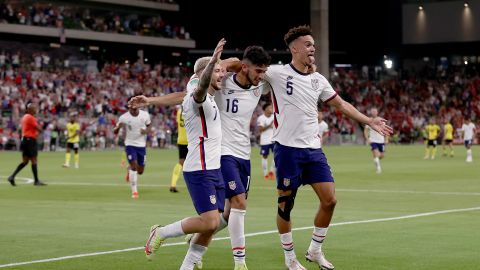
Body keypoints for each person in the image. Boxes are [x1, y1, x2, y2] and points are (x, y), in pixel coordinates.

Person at [262, 25, 392, 270]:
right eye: (308, 44)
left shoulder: (318, 80)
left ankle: (314, 250)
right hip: (287, 150)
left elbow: (342, 105)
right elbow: (248, 67)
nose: (313, 48)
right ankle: (290, 259)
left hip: (313, 150)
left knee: (330, 200)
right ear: (294, 48)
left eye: (313, 44)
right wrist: (216, 64)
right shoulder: (276, 73)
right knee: (285, 206)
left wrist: (369, 120)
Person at [144, 39, 227, 270]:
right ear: (204, 74)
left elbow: (192, 84)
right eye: (218, 71)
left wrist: (150, 100)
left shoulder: (200, 90)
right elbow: (199, 88)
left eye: (222, 71)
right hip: (199, 169)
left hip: (214, 167)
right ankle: (160, 232)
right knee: (210, 222)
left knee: (216, 222)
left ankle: (188, 266)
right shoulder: (197, 99)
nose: (222, 75)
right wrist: (212, 61)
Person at [113, 100, 151, 199]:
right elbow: (115, 131)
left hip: (141, 145)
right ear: (128, 107)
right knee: (134, 166)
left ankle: (129, 169)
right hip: (129, 144)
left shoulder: (145, 115)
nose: (133, 111)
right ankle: (134, 191)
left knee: (140, 171)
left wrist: (145, 131)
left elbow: (149, 127)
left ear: (138, 107)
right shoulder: (124, 117)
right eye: (131, 109)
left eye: (135, 109)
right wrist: (118, 128)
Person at [7, 103, 47, 186]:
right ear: (29, 110)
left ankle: (12, 176)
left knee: (25, 162)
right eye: (33, 108)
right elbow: (39, 129)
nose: (35, 110)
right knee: (34, 160)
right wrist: (41, 128)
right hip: (30, 141)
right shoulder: (31, 118)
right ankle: (36, 181)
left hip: (25, 140)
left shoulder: (24, 117)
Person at [169, 105, 188, 193]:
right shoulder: (191, 110)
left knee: (181, 162)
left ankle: (173, 184)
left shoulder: (179, 111)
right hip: (191, 140)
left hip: (181, 139)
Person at [363, 108, 388, 173]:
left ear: (377, 112)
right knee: (376, 154)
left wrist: (386, 139)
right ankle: (378, 168)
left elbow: (385, 130)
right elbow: (365, 131)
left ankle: (376, 160)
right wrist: (367, 139)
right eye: (372, 111)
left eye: (375, 111)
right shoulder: (368, 121)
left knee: (382, 156)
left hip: (381, 140)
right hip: (373, 140)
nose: (374, 112)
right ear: (371, 113)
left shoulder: (382, 121)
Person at [257, 103, 276, 181]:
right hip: (265, 141)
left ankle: (271, 172)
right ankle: (265, 174)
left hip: (274, 140)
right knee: (265, 156)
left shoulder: (274, 117)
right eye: (270, 108)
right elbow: (260, 130)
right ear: (265, 109)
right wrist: (269, 125)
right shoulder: (261, 118)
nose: (272, 109)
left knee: (276, 156)